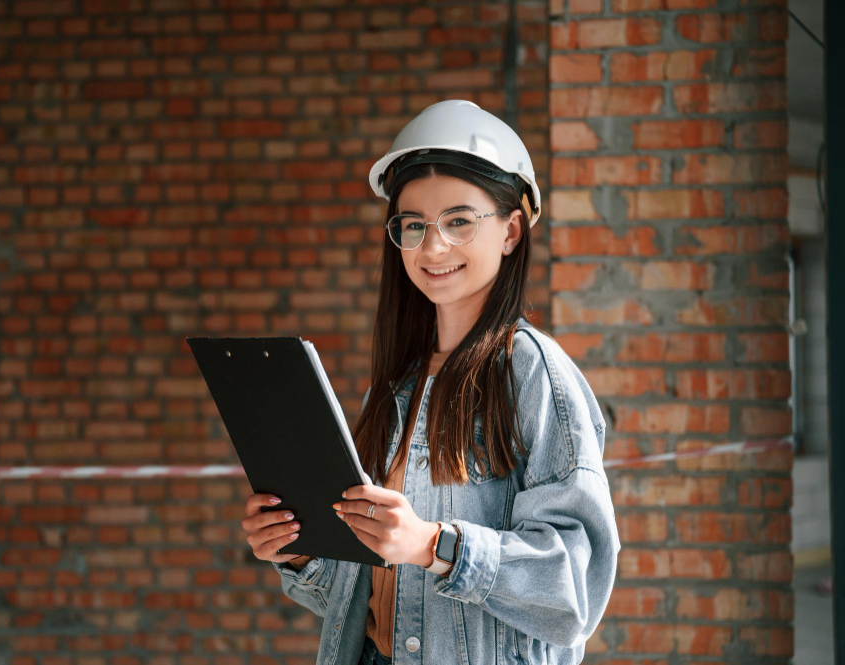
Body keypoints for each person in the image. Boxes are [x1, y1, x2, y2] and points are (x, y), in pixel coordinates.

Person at [240, 100, 620, 665]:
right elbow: (368, 596)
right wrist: (296, 553)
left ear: (512, 230)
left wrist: (434, 545)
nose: (432, 247)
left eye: (459, 221)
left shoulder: (534, 373)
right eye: (413, 225)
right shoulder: (395, 389)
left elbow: (572, 594)